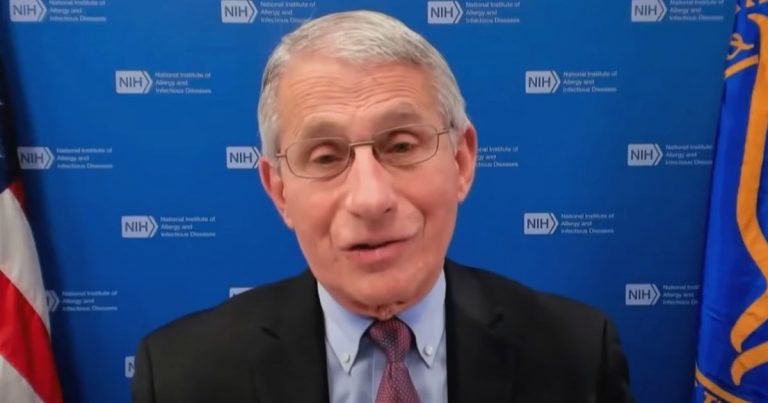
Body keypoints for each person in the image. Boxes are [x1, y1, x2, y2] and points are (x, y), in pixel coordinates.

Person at [132, 10, 632, 403]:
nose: (371, 199)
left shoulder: (577, 354)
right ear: (279, 190)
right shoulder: (180, 375)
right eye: (326, 157)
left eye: (401, 146)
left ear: (461, 161)